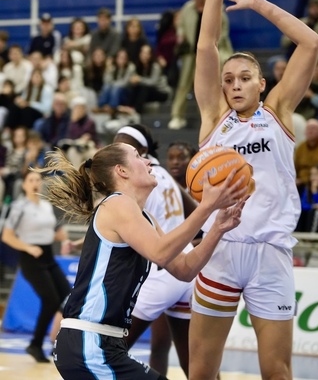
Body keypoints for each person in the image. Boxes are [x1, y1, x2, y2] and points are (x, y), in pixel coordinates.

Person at [188, 0, 318, 379]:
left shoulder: (279, 112)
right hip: (220, 250)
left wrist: (260, 4)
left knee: (276, 371)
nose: (235, 85)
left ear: (262, 84)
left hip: (270, 252)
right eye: (229, 80)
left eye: (245, 78)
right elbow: (206, 45)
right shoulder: (214, 118)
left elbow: (311, 42)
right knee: (201, 371)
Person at [33, 141, 248, 379]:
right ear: (121, 171)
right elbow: (161, 253)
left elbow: (184, 269)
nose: (148, 161)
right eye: (138, 156)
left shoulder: (144, 216)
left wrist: (218, 229)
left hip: (101, 344)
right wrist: (206, 207)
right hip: (89, 343)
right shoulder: (117, 203)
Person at [113, 124, 198, 377]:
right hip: (182, 273)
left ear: (141, 151)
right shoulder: (162, 173)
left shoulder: (139, 180)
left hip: (160, 273)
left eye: (123, 145)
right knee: (191, 361)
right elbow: (193, 209)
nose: (116, 149)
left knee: (110, 350)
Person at [1, 169, 72, 362]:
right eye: (31, 179)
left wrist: (60, 237)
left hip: (48, 256)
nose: (35, 183)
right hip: (30, 258)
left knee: (68, 299)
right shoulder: (19, 207)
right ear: (24, 185)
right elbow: (7, 236)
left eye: (38, 179)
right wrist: (27, 247)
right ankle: (35, 344)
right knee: (50, 300)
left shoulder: (45, 206)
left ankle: (58, 344)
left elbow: (49, 233)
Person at [167, 0, 233, 130]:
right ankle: (177, 116)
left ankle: (215, 116)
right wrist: (181, 36)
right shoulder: (187, 9)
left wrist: (211, 47)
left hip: (212, 53)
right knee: (184, 84)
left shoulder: (216, 9)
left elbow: (224, 31)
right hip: (191, 53)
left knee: (212, 85)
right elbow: (181, 26)